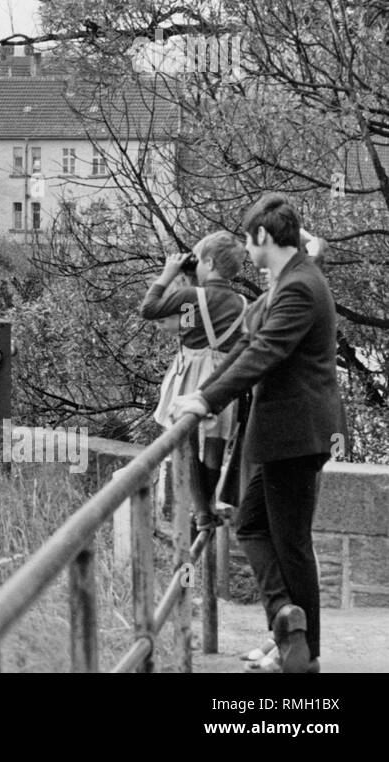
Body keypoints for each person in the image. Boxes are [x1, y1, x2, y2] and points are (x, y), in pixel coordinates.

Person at [171, 195, 345, 674]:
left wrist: (206, 400)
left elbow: (262, 351)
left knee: (289, 543)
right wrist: (206, 391)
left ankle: (303, 651)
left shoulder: (299, 289)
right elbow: (250, 339)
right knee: (252, 526)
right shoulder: (296, 278)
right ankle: (287, 632)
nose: (246, 251)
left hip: (296, 434)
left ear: (264, 237)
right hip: (292, 433)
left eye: (249, 240)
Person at [140, 231, 250, 528]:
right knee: (215, 442)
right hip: (223, 374)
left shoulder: (190, 296)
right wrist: (194, 279)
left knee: (185, 440)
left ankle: (201, 511)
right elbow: (200, 318)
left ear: (209, 262)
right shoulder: (241, 302)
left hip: (192, 371)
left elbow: (149, 309)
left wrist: (168, 274)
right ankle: (208, 505)